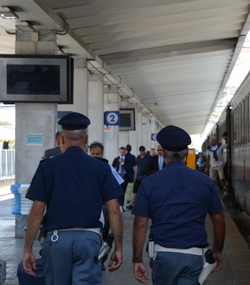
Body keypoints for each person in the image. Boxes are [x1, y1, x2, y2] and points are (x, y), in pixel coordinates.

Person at [22, 112, 124, 285]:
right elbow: (114, 210)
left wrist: (27, 249)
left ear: (62, 139)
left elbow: (37, 212)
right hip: (89, 241)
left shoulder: (47, 167)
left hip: (56, 241)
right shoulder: (101, 168)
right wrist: (119, 247)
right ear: (86, 140)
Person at [132, 125, 226, 285]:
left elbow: (140, 225)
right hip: (194, 257)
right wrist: (217, 250)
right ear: (187, 152)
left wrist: (137, 259)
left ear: (163, 153)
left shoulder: (149, 182)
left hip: (163, 257)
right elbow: (219, 221)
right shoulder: (205, 181)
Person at [127, 146, 152, 210]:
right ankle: (132, 203)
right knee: (135, 190)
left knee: (145, 190)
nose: (142, 152)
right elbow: (136, 167)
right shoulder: (138, 158)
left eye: (143, 151)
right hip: (139, 176)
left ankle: (147, 204)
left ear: (145, 151)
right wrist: (135, 176)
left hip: (146, 176)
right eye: (141, 151)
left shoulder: (149, 157)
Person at [112, 147, 128, 211]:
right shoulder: (116, 159)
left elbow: (129, 168)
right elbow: (112, 167)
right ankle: (118, 205)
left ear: (125, 152)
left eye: (123, 152)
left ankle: (121, 205)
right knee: (118, 191)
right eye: (121, 152)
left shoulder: (127, 159)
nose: (122, 153)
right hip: (118, 176)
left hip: (125, 176)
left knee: (123, 191)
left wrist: (123, 163)